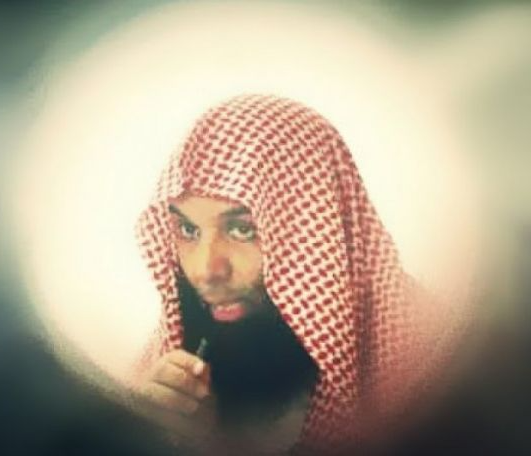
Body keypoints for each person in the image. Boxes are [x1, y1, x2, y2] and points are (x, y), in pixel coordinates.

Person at [131, 94, 462, 455]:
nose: (205, 271)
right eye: (188, 230)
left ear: (317, 227)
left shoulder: (433, 369)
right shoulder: (162, 364)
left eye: (243, 229)